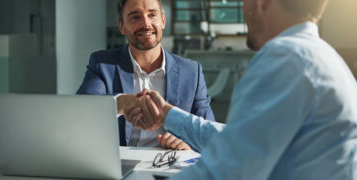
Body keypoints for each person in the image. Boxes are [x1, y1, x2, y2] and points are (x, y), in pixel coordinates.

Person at [126, 0, 357, 179]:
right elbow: (235, 140)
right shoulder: (321, 57)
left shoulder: (285, 58)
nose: (244, 9)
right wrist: (167, 115)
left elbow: (225, 170)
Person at [76, 0, 215, 149]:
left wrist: (189, 142)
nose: (146, 23)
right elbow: (82, 108)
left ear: (163, 20)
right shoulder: (102, 63)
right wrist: (123, 102)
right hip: (118, 166)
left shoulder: (191, 71)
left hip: (170, 165)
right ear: (122, 26)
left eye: (152, 15)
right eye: (135, 17)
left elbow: (210, 134)